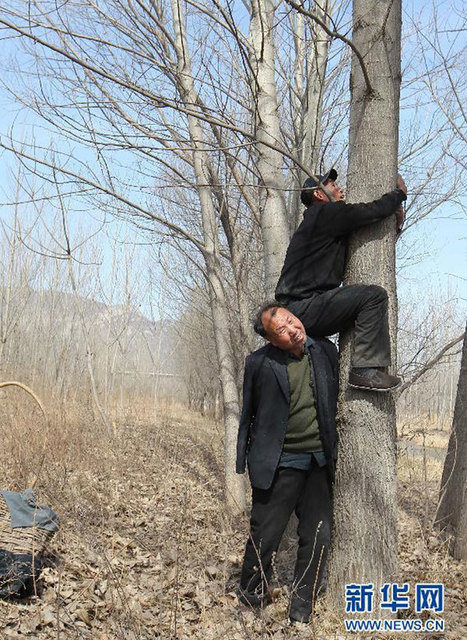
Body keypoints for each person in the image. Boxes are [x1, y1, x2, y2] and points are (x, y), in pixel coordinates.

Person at [236, 303, 338, 624]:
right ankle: (251, 598)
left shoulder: (323, 350)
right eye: (282, 330)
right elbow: (248, 414)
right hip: (279, 463)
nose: (293, 330)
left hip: (318, 462)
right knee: (265, 535)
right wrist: (244, 460)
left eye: (292, 322)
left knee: (318, 535)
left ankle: (301, 608)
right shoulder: (259, 363)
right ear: (271, 340)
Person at [275, 169, 407, 391]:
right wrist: (399, 194)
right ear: (318, 194)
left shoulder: (323, 225)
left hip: (303, 308)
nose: (339, 188)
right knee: (373, 296)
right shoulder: (324, 214)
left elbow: (368, 234)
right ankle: (364, 371)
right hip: (301, 308)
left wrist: (397, 225)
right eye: (332, 185)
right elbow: (369, 212)